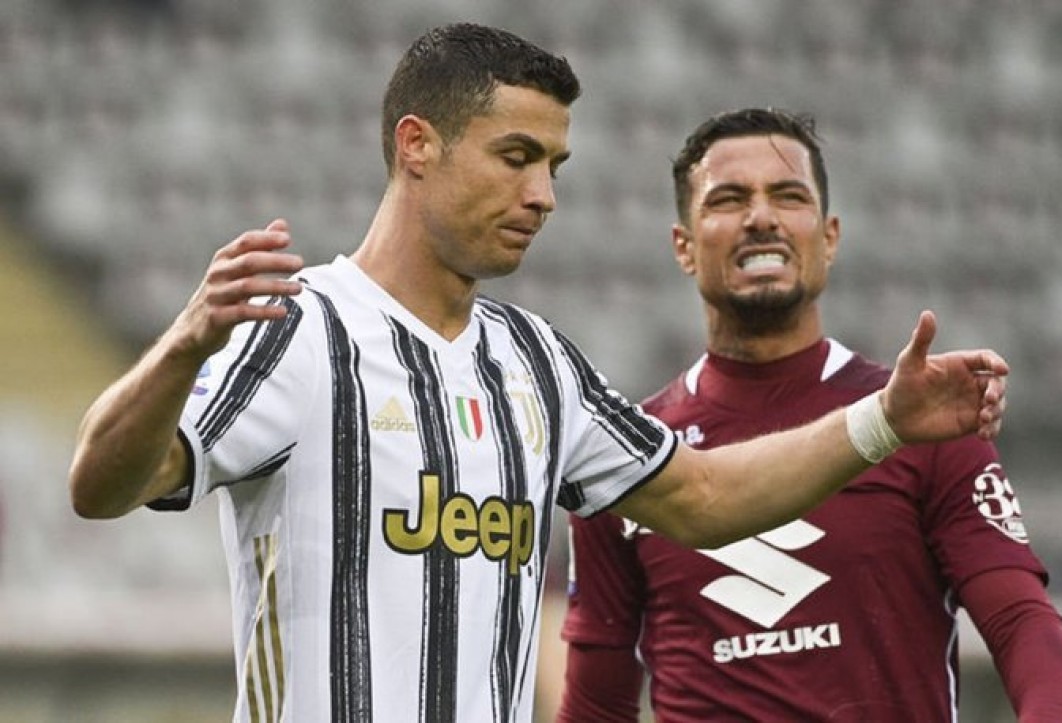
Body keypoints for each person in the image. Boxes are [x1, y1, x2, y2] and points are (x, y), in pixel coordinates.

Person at [67, 25, 1010, 723]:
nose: (544, 195)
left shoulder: (537, 362)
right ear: (417, 145)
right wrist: (183, 344)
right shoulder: (301, 329)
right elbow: (102, 485)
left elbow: (705, 495)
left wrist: (882, 421)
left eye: (554, 164)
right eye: (516, 157)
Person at [558, 108, 1062, 722]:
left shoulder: (920, 421)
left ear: (829, 237)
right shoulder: (629, 452)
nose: (761, 218)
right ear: (684, 245)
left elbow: (1023, 625)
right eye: (729, 199)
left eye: (788, 196)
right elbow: (597, 704)